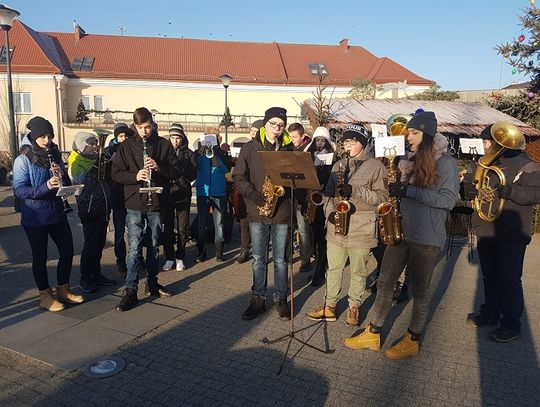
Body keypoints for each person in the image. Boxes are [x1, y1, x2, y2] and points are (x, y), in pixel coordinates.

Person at [344, 111, 459, 359]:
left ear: (427, 134)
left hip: (426, 237)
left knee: (420, 290)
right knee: (385, 282)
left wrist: (411, 191)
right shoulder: (408, 159)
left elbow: (449, 200)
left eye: (414, 133)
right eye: (408, 132)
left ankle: (412, 339)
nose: (408, 137)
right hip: (401, 230)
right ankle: (373, 333)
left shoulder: (446, 162)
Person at [464, 124, 540, 342]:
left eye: (486, 142)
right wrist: (467, 189)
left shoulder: (527, 164)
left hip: (511, 233)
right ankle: (490, 313)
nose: (484, 146)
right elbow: (472, 183)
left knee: (509, 278)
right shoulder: (482, 163)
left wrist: (512, 191)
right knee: (490, 275)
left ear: (496, 142)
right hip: (487, 229)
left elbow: (537, 193)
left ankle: (511, 325)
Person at [306, 124, 388, 326]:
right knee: (333, 268)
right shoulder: (338, 165)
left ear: (362, 144)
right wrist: (330, 213)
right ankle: (330, 306)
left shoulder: (377, 166)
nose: (347, 145)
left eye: (352, 142)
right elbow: (327, 195)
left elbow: (382, 198)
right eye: (345, 142)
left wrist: (356, 190)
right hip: (337, 226)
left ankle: (354, 307)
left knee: (358, 271)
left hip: (362, 226)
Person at [112, 107, 180, 311]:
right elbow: (115, 173)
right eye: (140, 128)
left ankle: (152, 283)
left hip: (156, 202)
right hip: (134, 202)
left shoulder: (163, 144)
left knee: (153, 245)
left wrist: (159, 168)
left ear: (153, 123)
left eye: (148, 127)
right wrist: (135, 176)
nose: (144, 132)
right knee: (134, 248)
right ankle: (130, 290)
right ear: (135, 126)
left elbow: (176, 171)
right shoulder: (126, 146)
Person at [13, 116, 84, 312]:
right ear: (34, 136)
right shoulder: (22, 159)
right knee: (40, 257)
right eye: (43, 136)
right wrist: (45, 186)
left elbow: (66, 180)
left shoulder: (54, 154)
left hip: (57, 213)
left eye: (50, 136)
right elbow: (19, 190)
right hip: (34, 217)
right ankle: (44, 295)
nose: (47, 141)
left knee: (68, 251)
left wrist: (67, 184)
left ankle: (63, 288)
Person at [233, 107, 294, 321]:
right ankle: (258, 299)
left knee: (280, 260)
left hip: (282, 212)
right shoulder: (250, 148)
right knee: (259, 258)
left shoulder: (288, 148)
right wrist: (253, 194)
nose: (277, 129)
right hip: (257, 210)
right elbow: (238, 176)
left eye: (281, 125)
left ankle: (281, 299)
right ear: (265, 124)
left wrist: (289, 184)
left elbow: (297, 176)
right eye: (273, 124)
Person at [68, 131, 116, 293]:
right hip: (89, 210)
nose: (96, 147)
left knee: (99, 244)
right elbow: (84, 182)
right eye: (92, 144)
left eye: (97, 143)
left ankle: (96, 274)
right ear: (82, 145)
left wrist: (108, 166)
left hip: (102, 209)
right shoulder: (76, 163)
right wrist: (100, 169)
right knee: (90, 245)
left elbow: (106, 179)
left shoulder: (95, 160)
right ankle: (86, 278)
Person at [303, 126, 336, 287]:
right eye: (317, 140)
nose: (320, 143)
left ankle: (321, 270)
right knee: (314, 237)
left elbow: (330, 178)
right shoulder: (308, 154)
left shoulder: (331, 157)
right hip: (310, 199)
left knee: (322, 238)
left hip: (322, 200)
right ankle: (318, 266)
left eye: (323, 140)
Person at [161, 122, 197, 271]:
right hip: (168, 195)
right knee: (167, 228)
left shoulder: (189, 153)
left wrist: (181, 171)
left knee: (182, 228)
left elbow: (193, 173)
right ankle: (169, 257)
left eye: (178, 137)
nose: (175, 140)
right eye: (172, 137)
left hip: (183, 195)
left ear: (182, 138)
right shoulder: (164, 152)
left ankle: (180, 257)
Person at [195, 131, 233, 263]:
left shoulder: (220, 154)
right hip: (203, 193)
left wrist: (218, 156)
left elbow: (227, 170)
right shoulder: (199, 154)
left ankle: (219, 253)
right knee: (201, 224)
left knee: (219, 223)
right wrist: (200, 153)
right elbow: (195, 167)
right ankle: (201, 252)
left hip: (219, 192)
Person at [104, 123, 133, 278]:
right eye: (121, 136)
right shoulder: (109, 152)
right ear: (116, 138)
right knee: (120, 231)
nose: (124, 139)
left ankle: (136, 259)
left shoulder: (132, 149)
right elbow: (106, 175)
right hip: (117, 196)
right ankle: (120, 261)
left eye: (126, 136)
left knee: (135, 231)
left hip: (132, 196)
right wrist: (112, 163)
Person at [234, 119, 264, 263]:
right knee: (244, 223)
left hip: (260, 192)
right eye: (251, 130)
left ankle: (259, 250)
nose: (253, 133)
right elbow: (240, 172)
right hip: (246, 192)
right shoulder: (246, 147)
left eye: (255, 131)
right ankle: (244, 249)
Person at [287, 122, 314, 273]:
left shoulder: (309, 150)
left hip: (303, 196)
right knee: (289, 227)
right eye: (291, 137)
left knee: (303, 230)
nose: (293, 140)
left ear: (302, 136)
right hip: (290, 195)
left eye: (295, 137)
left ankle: (305, 260)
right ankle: (288, 255)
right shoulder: (289, 148)